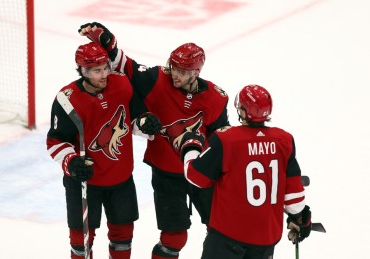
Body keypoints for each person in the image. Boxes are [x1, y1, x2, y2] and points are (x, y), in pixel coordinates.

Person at [79, 22, 231, 259]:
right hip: (167, 174)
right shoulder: (157, 79)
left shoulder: (216, 97)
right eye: (174, 67)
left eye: (182, 71)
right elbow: (125, 66)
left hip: (202, 174)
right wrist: (108, 43)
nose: (175, 74)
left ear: (196, 73)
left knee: (222, 230)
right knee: (174, 239)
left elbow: (222, 140)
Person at [46, 42, 156, 259]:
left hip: (121, 177)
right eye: (97, 71)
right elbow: (56, 141)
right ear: (83, 71)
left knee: (123, 238)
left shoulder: (122, 84)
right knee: (81, 244)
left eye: (106, 67)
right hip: (85, 181)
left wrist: (144, 122)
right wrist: (71, 161)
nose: (104, 74)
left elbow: (133, 118)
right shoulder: (67, 100)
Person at [178, 84, 313, 259]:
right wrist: (300, 218)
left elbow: (196, 177)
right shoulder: (284, 140)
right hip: (265, 241)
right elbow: (294, 202)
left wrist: (190, 147)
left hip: (227, 238)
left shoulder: (226, 139)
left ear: (242, 110)